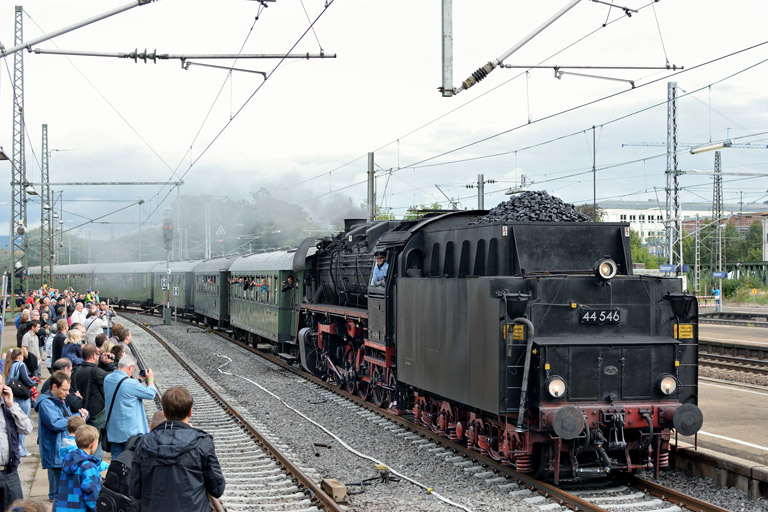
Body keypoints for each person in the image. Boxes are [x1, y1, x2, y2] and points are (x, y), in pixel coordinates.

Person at [130, 386, 225, 511]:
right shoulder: (202, 442)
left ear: (164, 411)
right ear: (190, 412)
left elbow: (135, 490)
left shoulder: (144, 443)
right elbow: (217, 488)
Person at [34, 371, 89, 503]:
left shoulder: (60, 400)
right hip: (56, 452)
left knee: (63, 491)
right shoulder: (46, 403)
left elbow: (67, 420)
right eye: (64, 390)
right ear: (54, 387)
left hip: (62, 450)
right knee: (61, 494)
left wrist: (80, 416)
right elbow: (56, 423)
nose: (67, 393)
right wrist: (75, 418)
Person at [103, 355, 157, 457]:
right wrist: (150, 380)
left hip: (113, 431)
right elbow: (151, 394)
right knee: (132, 462)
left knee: (117, 461)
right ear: (131, 367)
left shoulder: (107, 379)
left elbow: (124, 391)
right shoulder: (131, 384)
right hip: (131, 434)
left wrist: (138, 380)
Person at [0, 372, 34, 511]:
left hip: (9, 472)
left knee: (17, 509)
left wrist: (12, 405)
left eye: (0, 384)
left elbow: (27, 428)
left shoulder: (8, 407)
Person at [74, 345, 111, 458]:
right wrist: (110, 364)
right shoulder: (96, 372)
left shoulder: (76, 371)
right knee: (97, 447)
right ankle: (95, 473)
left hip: (83, 411)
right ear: (94, 355)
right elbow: (112, 380)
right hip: (97, 414)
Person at [55, 425, 104, 511]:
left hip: (63, 507)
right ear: (93, 444)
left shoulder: (67, 460)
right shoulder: (89, 466)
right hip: (80, 508)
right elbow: (92, 493)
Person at [4, 349, 34, 457]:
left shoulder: (10, 365)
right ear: (20, 356)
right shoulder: (21, 365)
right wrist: (34, 383)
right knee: (22, 421)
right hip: (22, 395)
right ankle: (21, 448)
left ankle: (16, 446)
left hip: (14, 395)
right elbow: (26, 379)